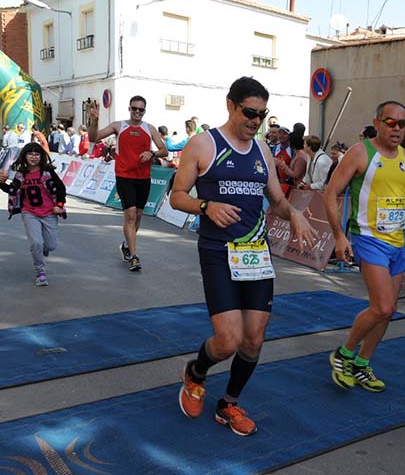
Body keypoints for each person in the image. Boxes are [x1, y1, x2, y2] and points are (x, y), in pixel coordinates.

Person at [170, 76, 316, 436]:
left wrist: (294, 213)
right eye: (250, 112)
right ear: (231, 106)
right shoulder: (203, 145)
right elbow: (176, 196)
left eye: (262, 115)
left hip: (255, 254)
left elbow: (278, 202)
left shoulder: (262, 151)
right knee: (229, 340)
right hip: (218, 252)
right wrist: (205, 205)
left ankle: (229, 403)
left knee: (254, 338)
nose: (256, 120)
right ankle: (196, 372)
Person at [324, 100, 405, 391]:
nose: (396, 129)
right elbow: (330, 193)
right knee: (382, 305)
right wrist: (339, 235)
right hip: (369, 240)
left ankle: (362, 363)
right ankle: (343, 354)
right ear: (378, 122)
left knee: (389, 309)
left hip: (397, 244)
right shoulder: (360, 154)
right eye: (390, 122)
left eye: (402, 124)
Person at [88, 95, 168, 271]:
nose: (137, 112)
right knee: (130, 214)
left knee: (138, 215)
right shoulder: (119, 126)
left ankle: (126, 244)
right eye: (134, 108)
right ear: (129, 108)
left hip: (144, 177)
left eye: (141, 109)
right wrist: (93, 121)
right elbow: (94, 137)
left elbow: (164, 150)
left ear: (144, 111)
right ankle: (133, 256)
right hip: (124, 176)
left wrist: (152, 154)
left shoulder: (150, 128)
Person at [0, 142, 66, 286]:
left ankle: (42, 250)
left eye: (37, 154)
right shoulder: (21, 174)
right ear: (24, 156)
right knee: (36, 242)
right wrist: (1, 184)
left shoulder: (48, 172)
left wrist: (59, 205)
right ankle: (40, 271)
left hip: (49, 212)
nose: (34, 157)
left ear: (41, 156)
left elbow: (61, 188)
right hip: (29, 212)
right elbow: (13, 190)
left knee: (51, 246)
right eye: (30, 154)